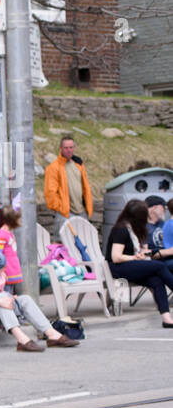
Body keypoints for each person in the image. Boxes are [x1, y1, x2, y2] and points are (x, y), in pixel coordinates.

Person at [105, 199, 173, 327]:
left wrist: (143, 253)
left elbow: (139, 250)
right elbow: (115, 257)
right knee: (159, 266)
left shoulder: (135, 229)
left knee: (156, 280)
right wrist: (135, 257)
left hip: (130, 265)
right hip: (117, 267)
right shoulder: (121, 229)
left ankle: (167, 319)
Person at [44, 135, 92, 236]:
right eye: (66, 148)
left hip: (82, 211)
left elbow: (85, 187)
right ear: (61, 148)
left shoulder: (79, 164)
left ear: (74, 148)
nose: (69, 150)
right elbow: (50, 192)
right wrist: (61, 208)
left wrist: (87, 208)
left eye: (71, 147)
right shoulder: (53, 167)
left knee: (84, 242)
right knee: (61, 244)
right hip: (65, 213)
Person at [0, 207, 24, 288]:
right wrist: (1, 271)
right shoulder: (2, 235)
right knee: (7, 294)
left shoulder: (8, 233)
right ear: (11, 220)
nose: (19, 220)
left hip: (11, 270)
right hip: (6, 272)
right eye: (17, 218)